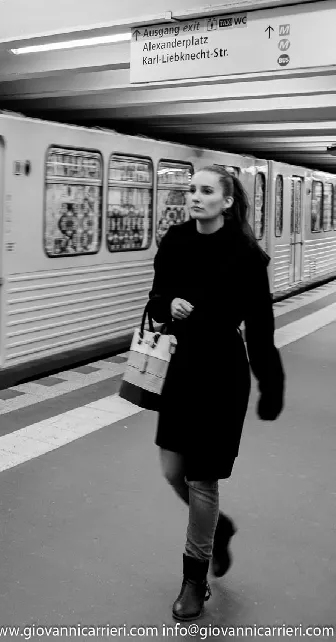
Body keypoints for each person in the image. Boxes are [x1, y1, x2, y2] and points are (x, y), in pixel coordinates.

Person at [145, 164, 285, 621]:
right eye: (191, 190)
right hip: (183, 369)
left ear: (226, 201)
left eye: (206, 191)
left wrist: (271, 382)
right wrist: (167, 305)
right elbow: (155, 299)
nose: (195, 196)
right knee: (171, 470)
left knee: (202, 479)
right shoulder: (176, 241)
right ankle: (219, 529)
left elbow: (261, 329)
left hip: (224, 373)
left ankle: (194, 580)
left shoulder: (246, 254)